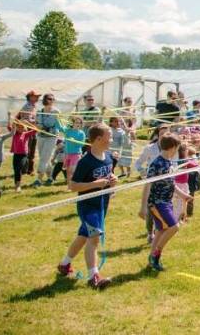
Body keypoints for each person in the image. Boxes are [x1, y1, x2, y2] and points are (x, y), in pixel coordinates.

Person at [57, 123, 116, 289]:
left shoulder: (108, 157)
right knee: (94, 237)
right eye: (108, 137)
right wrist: (95, 184)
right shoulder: (86, 161)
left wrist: (112, 180)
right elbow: (73, 186)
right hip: (88, 206)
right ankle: (94, 277)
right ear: (98, 139)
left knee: (84, 236)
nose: (111, 140)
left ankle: (64, 264)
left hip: (102, 204)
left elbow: (107, 175)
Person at [138, 133, 190, 271]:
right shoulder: (157, 163)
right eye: (177, 148)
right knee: (174, 227)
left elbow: (170, 183)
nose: (177, 152)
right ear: (172, 148)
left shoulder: (168, 162)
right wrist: (143, 207)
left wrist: (183, 195)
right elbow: (147, 185)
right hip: (157, 202)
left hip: (166, 201)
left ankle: (151, 259)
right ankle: (156, 255)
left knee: (162, 230)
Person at [33, 93, 61, 187]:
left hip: (51, 137)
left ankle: (38, 180)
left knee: (43, 158)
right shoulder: (40, 111)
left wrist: (45, 128)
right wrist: (41, 127)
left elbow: (56, 124)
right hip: (41, 136)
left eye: (53, 99)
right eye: (49, 99)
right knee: (45, 158)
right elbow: (37, 124)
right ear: (45, 100)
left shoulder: (56, 112)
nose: (51, 100)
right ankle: (50, 178)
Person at [9, 115, 36, 193]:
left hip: (23, 155)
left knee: (18, 169)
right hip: (16, 155)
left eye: (22, 127)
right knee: (16, 170)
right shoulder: (14, 134)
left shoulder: (26, 134)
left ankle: (18, 186)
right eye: (19, 127)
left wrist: (28, 123)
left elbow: (35, 129)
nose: (20, 128)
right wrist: (10, 117)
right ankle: (17, 186)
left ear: (25, 127)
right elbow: (11, 126)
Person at [19, 90, 40, 174]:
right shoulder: (27, 107)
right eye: (36, 96)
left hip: (33, 130)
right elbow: (25, 119)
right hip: (28, 130)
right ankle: (25, 168)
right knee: (28, 149)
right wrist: (35, 122)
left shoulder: (34, 106)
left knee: (32, 149)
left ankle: (29, 169)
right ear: (30, 97)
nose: (37, 98)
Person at [62, 117, 86, 182]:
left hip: (76, 154)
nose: (78, 124)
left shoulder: (81, 133)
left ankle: (77, 183)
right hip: (67, 154)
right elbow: (60, 128)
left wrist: (74, 141)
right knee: (68, 171)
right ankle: (69, 186)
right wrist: (56, 119)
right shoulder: (68, 131)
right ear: (73, 123)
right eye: (76, 122)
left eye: (80, 123)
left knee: (72, 170)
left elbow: (81, 145)